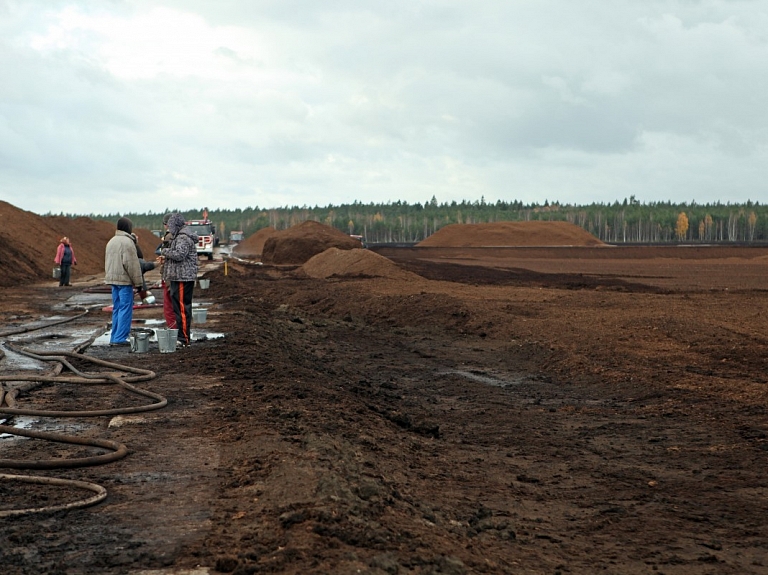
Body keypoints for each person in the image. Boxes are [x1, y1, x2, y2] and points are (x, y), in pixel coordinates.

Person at [159, 213, 198, 347]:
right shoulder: (180, 236)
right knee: (179, 308)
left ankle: (183, 338)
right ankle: (182, 337)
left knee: (182, 308)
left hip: (183, 277)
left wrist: (164, 251)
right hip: (179, 276)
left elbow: (179, 255)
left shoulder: (182, 238)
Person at [104, 217, 144, 347]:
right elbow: (132, 265)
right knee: (125, 309)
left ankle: (114, 336)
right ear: (128, 228)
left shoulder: (111, 241)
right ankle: (120, 338)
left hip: (113, 280)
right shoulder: (127, 242)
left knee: (117, 308)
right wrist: (138, 283)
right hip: (124, 281)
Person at [156, 213, 177, 328]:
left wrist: (163, 258)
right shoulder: (181, 235)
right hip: (178, 276)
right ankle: (179, 331)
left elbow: (168, 254)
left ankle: (173, 331)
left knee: (169, 307)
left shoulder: (169, 236)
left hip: (169, 276)